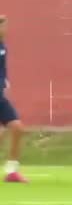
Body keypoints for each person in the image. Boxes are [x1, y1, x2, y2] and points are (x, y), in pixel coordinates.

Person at [0, 15, 26, 183]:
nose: (5, 29)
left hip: (0, 96)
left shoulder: (3, 46)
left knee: (17, 128)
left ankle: (12, 172)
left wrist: (5, 80)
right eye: (3, 25)